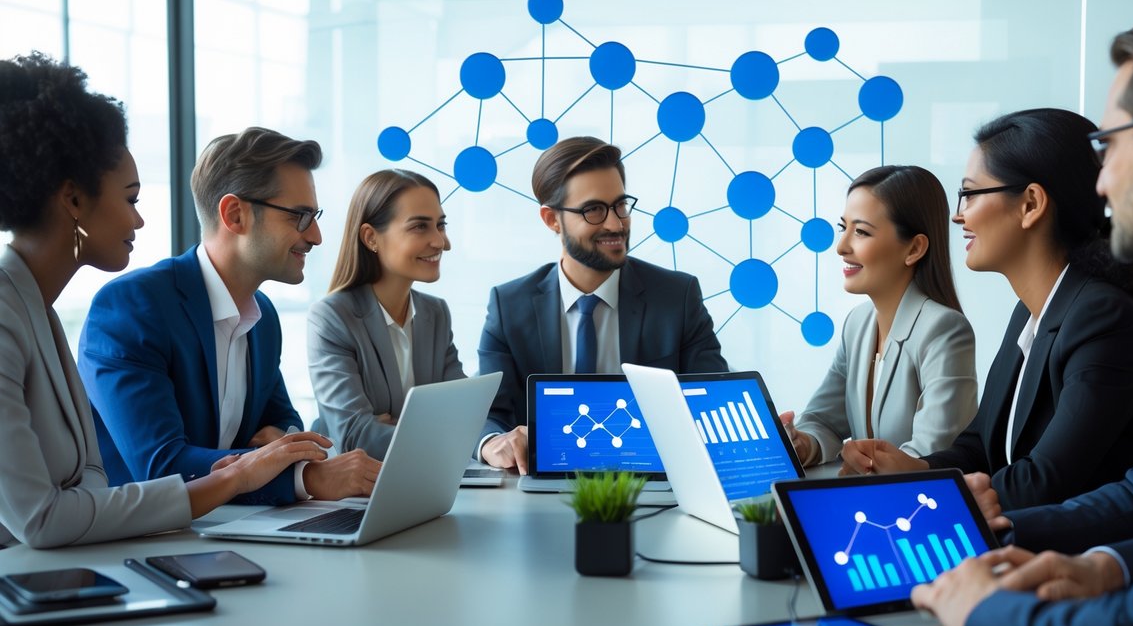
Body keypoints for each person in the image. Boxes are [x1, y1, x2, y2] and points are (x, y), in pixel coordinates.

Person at [911, 7, 1133, 626]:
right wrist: (1103, 564)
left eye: (1106, 146)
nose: (1101, 181)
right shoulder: (1043, 312)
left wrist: (981, 608)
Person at [0, 54, 330, 548]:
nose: (140, 222)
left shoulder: (39, 311)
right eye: (131, 199)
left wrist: (277, 450)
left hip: (112, 554)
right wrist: (244, 473)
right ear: (73, 200)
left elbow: (87, 485)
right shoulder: (94, 310)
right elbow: (45, 518)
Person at [841, 108, 1133, 511]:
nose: (959, 215)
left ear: (1030, 203)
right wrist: (915, 468)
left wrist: (935, 497)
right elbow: (978, 445)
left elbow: (1045, 480)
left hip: (1079, 560)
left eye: (971, 194)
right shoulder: (1030, 312)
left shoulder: (1104, 320)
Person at [78, 127, 381, 505]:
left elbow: (285, 428)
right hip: (135, 544)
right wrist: (305, 476)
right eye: (300, 217)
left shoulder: (263, 316)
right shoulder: (133, 306)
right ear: (235, 215)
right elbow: (160, 467)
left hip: (229, 527)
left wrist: (281, 448)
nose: (316, 236)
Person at [477, 136, 728, 472]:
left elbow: (715, 401)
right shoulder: (509, 306)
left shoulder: (677, 297)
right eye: (594, 210)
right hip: (541, 485)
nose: (615, 223)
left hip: (652, 482)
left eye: (620, 205)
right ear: (552, 219)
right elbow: (489, 414)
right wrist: (493, 442)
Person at [780, 165, 978, 468]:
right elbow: (823, 421)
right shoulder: (857, 324)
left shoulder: (944, 329)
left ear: (914, 248)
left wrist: (867, 467)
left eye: (860, 232)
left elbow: (932, 453)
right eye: (842, 228)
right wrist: (802, 444)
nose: (841, 247)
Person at [308, 169, 465, 460]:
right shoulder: (332, 317)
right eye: (420, 227)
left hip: (425, 482)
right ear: (371, 238)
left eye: (440, 225)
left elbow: (465, 415)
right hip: (359, 495)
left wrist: (394, 426)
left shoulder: (436, 313)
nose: (440, 241)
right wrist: (435, 432)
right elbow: (355, 436)